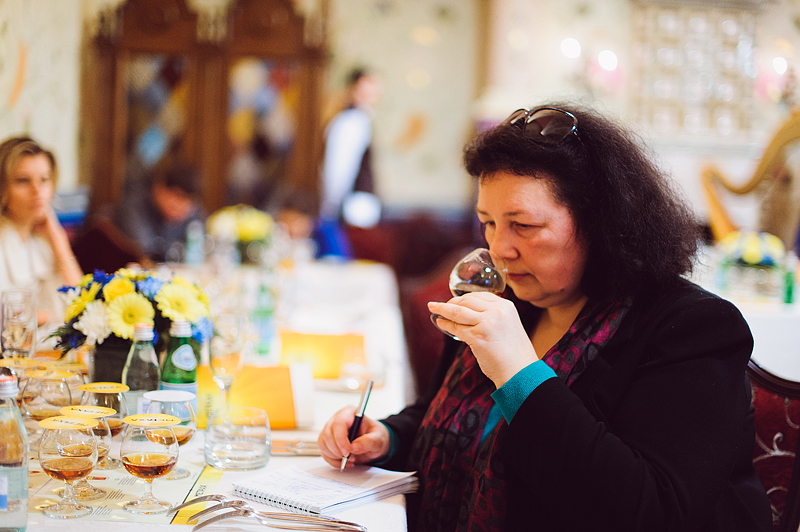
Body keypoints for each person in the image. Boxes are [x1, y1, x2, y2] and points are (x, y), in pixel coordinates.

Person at [318, 104, 772, 531]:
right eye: (489, 223)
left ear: (600, 223)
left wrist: (519, 373)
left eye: (524, 226)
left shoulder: (693, 329)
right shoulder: (514, 299)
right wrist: (388, 438)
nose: (499, 249)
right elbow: (450, 415)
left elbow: (648, 511)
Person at [0, 137, 83, 336]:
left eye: (44, 180)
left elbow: (82, 301)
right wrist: (59, 315)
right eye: (23, 181)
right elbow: (7, 318)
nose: (37, 191)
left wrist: (57, 238)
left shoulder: (42, 240)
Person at [317, 68, 383, 258]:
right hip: (349, 210)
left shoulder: (360, 120)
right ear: (352, 89)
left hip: (354, 209)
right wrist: (331, 209)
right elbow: (337, 172)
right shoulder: (350, 122)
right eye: (364, 88)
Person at [113, 159, 205, 262]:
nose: (182, 206)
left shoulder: (193, 215)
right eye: (178, 195)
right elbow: (143, 250)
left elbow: (201, 247)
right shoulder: (134, 208)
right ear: (159, 187)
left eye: (189, 201)